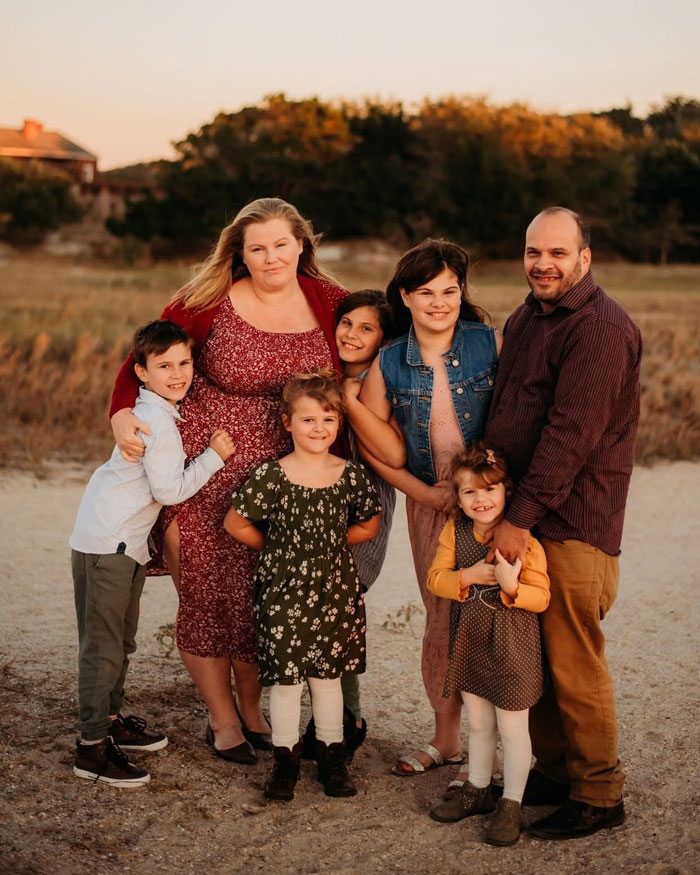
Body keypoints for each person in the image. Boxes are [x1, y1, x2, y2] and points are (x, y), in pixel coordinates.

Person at [109, 198, 347, 764]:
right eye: (257, 247)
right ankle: (222, 719)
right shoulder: (208, 299)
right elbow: (142, 359)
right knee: (208, 599)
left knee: (263, 597)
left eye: (281, 244)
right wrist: (120, 412)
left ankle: (254, 709)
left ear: (301, 245)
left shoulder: (330, 301)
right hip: (203, 467)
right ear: (239, 252)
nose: (271, 257)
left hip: (289, 475)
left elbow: (379, 346)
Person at [485, 206, 642, 840]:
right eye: (533, 252)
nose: (543, 264)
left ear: (585, 257)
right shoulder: (527, 317)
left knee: (575, 662)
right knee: (539, 660)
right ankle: (555, 771)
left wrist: (517, 519)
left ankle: (600, 793)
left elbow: (570, 437)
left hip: (573, 521)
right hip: (527, 516)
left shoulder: (600, 327)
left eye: (557, 253)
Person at [343, 239, 501, 778]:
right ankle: (446, 739)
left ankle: (496, 745)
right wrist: (422, 492)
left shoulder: (489, 343)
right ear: (405, 297)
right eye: (427, 292)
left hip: (493, 502)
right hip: (431, 503)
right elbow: (375, 448)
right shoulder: (389, 361)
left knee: (499, 614)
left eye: (450, 291)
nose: (440, 303)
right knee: (442, 614)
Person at [70, 320, 234, 786]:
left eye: (184, 363)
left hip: (127, 542)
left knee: (121, 641)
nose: (177, 374)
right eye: (164, 366)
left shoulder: (161, 411)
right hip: (108, 542)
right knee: (103, 646)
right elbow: (169, 489)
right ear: (141, 372)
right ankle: (91, 747)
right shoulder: (155, 419)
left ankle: (110, 720)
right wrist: (214, 456)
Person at [223, 370, 381, 801]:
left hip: (334, 589)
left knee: (327, 678)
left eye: (328, 420)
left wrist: (325, 545)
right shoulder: (272, 475)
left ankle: (332, 759)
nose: (319, 428)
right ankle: (285, 762)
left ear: (339, 424)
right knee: (287, 680)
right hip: (283, 591)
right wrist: (280, 547)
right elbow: (235, 523)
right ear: (287, 422)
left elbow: (370, 525)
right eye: (308, 419)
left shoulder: (350, 475)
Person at [426, 443, 550, 846]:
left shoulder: (525, 542)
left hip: (514, 650)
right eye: (470, 492)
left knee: (512, 729)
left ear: (506, 491)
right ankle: (477, 789)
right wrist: (468, 575)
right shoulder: (454, 532)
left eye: (489, 489)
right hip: (470, 644)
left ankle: (511, 803)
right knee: (479, 723)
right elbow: (435, 579)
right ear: (458, 498)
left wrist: (513, 586)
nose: (481, 499)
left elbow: (542, 597)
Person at [300, 290, 396, 759]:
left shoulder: (382, 382)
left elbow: (390, 455)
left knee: (338, 609)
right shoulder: (328, 377)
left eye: (367, 328)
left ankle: (346, 718)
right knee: (317, 609)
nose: (352, 334)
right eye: (347, 323)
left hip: (362, 503)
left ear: (383, 339)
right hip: (321, 502)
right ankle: (332, 715)